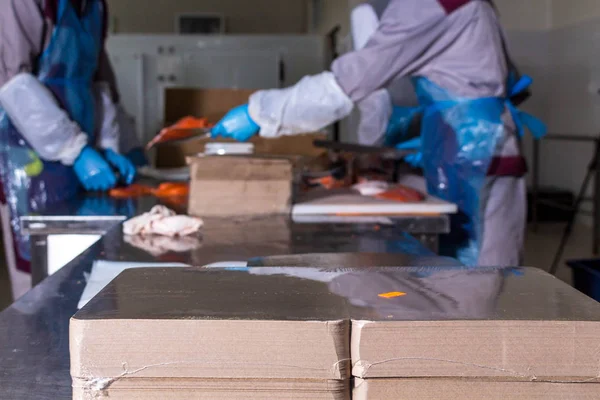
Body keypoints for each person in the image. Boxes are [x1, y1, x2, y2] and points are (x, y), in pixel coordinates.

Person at [211, 0, 546, 267]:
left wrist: (260, 113)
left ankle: (483, 350)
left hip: (477, 150)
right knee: (469, 271)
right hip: (466, 144)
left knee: (485, 278)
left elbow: (351, 81)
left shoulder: (428, 5)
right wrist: (421, 133)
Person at [0, 0, 144, 300]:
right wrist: (74, 149)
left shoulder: (95, 7)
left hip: (81, 162)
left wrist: (108, 146)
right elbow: (13, 84)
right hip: (28, 163)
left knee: (86, 279)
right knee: (39, 287)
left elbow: (99, 83)